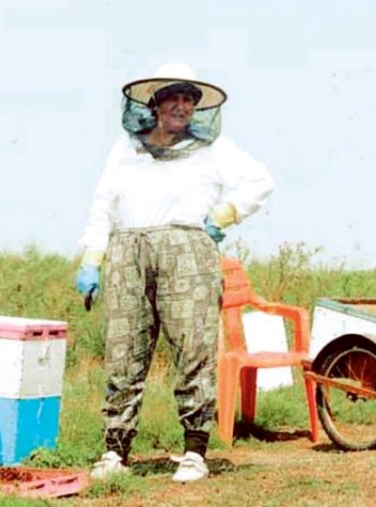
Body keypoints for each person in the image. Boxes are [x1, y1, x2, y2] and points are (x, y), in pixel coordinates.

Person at [76, 63, 274, 482]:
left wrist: (226, 212)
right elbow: (103, 204)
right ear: (154, 103)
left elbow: (259, 181)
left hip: (188, 251)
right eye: (174, 97)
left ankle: (195, 450)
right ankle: (115, 450)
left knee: (193, 349)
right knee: (123, 351)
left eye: (189, 99)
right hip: (128, 251)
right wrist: (92, 258)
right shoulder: (124, 150)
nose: (182, 106)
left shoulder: (213, 149)